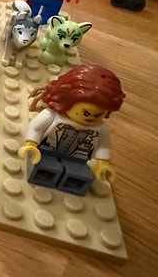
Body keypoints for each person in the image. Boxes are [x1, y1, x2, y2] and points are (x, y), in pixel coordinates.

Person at [18, 64, 125, 196]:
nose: (91, 118)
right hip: (44, 152)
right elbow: (36, 128)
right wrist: (31, 143)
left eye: (98, 115)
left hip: (77, 160)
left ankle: (73, 184)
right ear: (67, 101)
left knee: (79, 174)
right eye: (86, 113)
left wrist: (102, 162)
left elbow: (104, 145)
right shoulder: (51, 115)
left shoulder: (101, 128)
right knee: (43, 165)